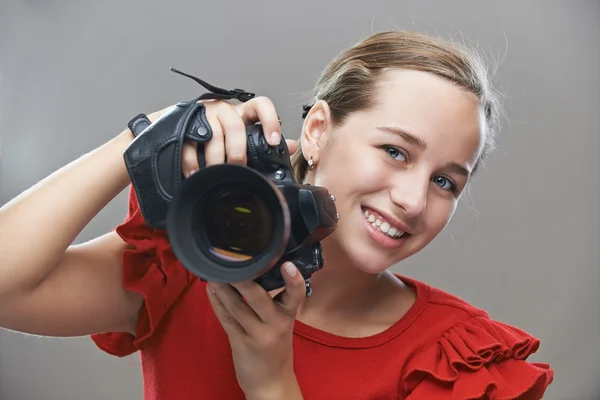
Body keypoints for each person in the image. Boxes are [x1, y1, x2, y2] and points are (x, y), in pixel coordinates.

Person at [0, 30, 554, 399]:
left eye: (444, 181)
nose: (413, 200)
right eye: (394, 151)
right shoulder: (195, 257)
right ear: (316, 130)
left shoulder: (460, 367)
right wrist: (147, 135)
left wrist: (272, 381)